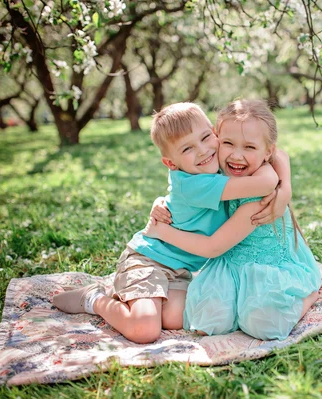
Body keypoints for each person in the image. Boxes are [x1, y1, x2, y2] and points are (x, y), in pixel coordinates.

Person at [52, 102, 292, 344]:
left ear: (215, 133)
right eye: (187, 148)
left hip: (180, 270)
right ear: (171, 163)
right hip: (148, 259)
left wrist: (286, 189)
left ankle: (134, 298)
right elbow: (265, 181)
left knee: (178, 318)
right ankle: (94, 299)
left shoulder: (218, 160)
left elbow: (279, 154)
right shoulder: (194, 184)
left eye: (206, 137)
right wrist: (282, 191)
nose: (202, 151)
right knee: (144, 330)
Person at [144, 100, 322, 341]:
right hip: (230, 262)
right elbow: (183, 188)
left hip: (270, 264)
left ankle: (309, 294)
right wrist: (161, 201)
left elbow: (277, 159)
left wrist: (285, 188)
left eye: (249, 147)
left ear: (266, 152)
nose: (237, 156)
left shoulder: (260, 186)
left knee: (262, 324)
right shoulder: (213, 166)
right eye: (228, 143)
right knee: (207, 317)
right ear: (216, 137)